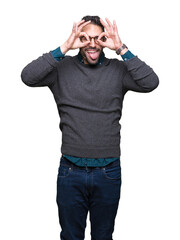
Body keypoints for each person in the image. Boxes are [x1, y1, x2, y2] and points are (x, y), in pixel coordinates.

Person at [21, 15, 159, 240]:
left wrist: (121, 48)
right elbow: (27, 76)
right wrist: (65, 46)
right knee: (70, 236)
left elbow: (151, 82)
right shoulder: (60, 69)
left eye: (98, 38)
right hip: (70, 170)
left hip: (108, 171)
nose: (92, 43)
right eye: (85, 38)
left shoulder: (118, 69)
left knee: (103, 236)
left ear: (106, 39)